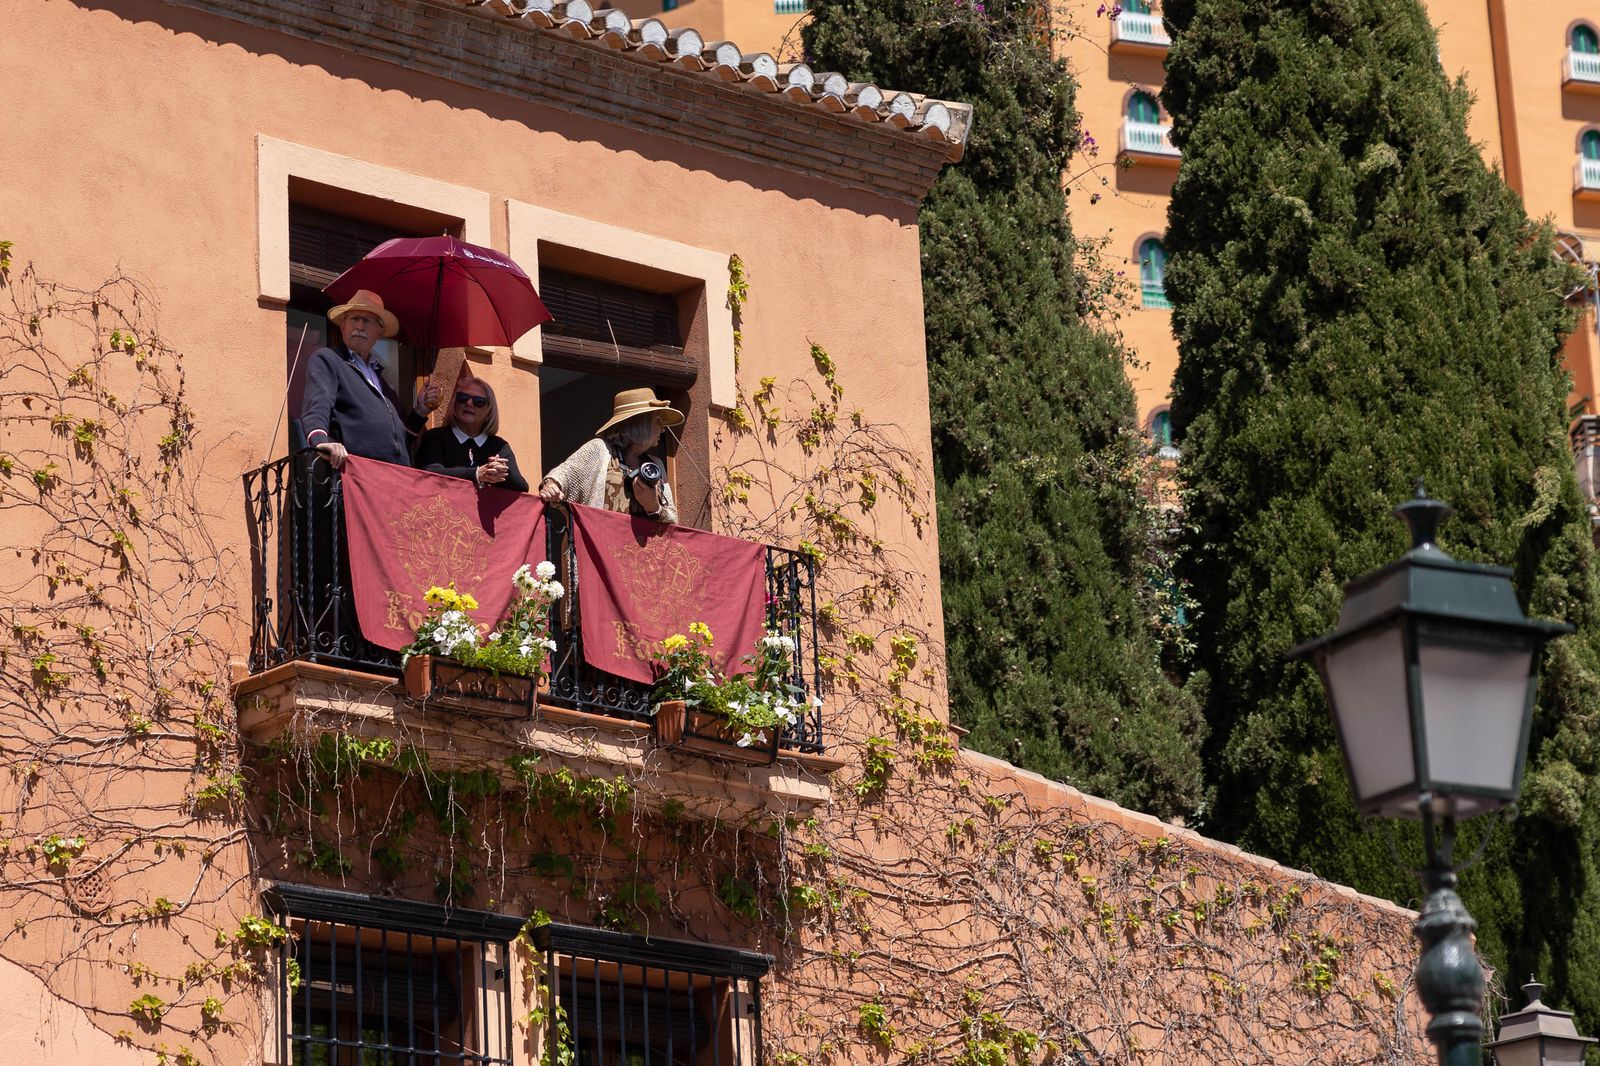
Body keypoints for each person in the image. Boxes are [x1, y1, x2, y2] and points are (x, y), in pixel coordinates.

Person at [300, 289, 441, 468]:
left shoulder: (380, 379)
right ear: (342, 325)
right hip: (355, 476)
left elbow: (403, 437)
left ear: (379, 331)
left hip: (392, 480)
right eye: (353, 319)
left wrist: (420, 411)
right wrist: (320, 440)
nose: (359, 326)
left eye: (366, 320)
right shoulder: (329, 359)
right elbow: (316, 405)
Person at [539, 387, 683, 524]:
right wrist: (551, 485)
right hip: (600, 547)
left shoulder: (655, 465)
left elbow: (672, 519)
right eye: (658, 421)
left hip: (640, 550)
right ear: (639, 423)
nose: (663, 429)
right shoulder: (600, 450)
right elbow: (564, 473)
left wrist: (654, 508)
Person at [414, 376, 529, 492]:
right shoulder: (435, 437)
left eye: (478, 401)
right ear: (455, 404)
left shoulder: (499, 446)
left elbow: (522, 487)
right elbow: (430, 473)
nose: (469, 403)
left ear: (489, 410)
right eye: (463, 398)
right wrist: (477, 474)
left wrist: (501, 472)